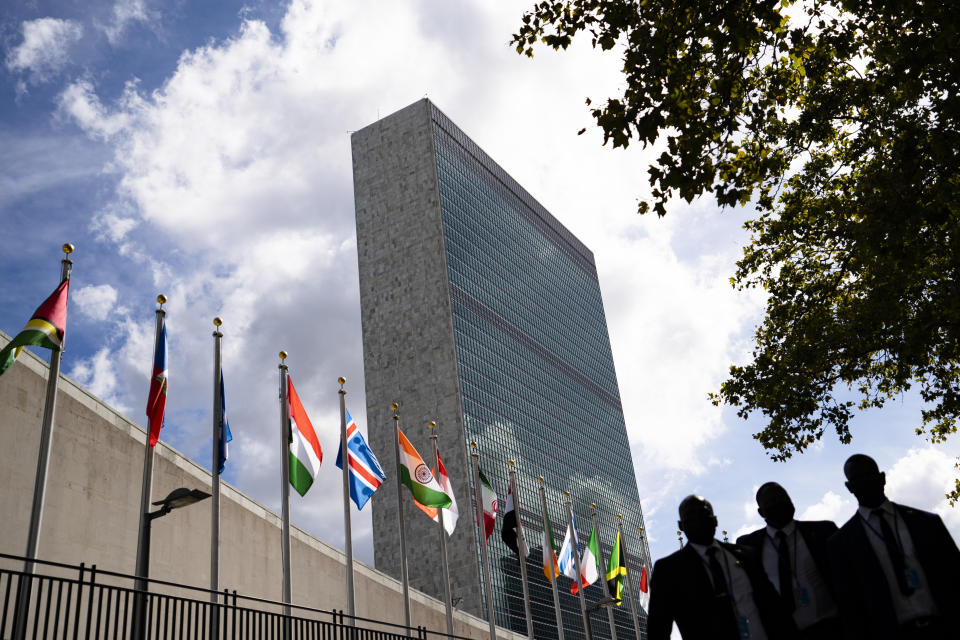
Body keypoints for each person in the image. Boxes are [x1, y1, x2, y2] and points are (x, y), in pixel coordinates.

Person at [827, 454, 960, 639]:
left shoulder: (927, 523)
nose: (866, 482)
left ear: (882, 477)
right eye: (858, 478)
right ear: (849, 487)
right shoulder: (841, 544)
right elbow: (850, 604)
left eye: (869, 474)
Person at [646, 495, 796, 640]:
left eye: (704, 513)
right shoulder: (668, 570)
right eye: (691, 515)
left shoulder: (746, 555)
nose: (699, 519)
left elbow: (774, 606)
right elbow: (658, 630)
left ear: (715, 520)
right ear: (681, 525)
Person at [736, 482, 841, 639]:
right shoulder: (748, 546)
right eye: (771, 501)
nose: (778, 503)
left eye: (782, 498)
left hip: (829, 628)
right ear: (761, 512)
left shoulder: (822, 532)